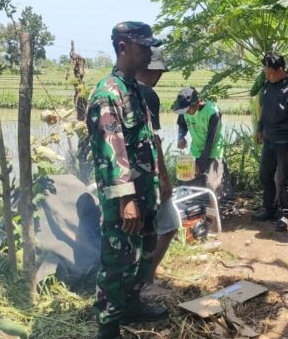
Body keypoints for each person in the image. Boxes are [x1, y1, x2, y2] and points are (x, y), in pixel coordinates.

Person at [86, 22, 168, 339]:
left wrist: (158, 182)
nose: (149, 52)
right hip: (127, 200)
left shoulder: (134, 89)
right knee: (118, 262)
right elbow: (110, 149)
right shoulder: (108, 93)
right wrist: (126, 198)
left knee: (144, 253)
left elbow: (146, 140)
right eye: (143, 46)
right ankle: (107, 327)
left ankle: (132, 304)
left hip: (144, 194)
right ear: (123, 47)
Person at [135, 47, 179, 297]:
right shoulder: (147, 94)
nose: (159, 77)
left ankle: (137, 281)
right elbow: (154, 140)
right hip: (146, 174)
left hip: (123, 176)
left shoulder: (116, 88)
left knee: (137, 230)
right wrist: (163, 175)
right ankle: (146, 282)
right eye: (159, 72)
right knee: (168, 224)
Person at [252, 52, 288, 231]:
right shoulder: (269, 84)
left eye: (270, 73)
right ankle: (269, 209)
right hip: (269, 140)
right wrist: (260, 128)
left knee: (284, 179)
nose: (267, 76)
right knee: (265, 175)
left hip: (285, 143)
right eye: (265, 73)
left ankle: (284, 214)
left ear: (281, 70)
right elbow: (264, 110)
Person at [174, 87, 232, 199]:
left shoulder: (212, 112)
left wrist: (199, 165)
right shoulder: (185, 109)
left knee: (212, 186)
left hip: (213, 151)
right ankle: (198, 210)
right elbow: (182, 124)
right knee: (190, 183)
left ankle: (215, 210)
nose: (186, 113)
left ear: (196, 103)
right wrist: (181, 137)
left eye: (188, 110)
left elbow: (211, 141)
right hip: (196, 151)